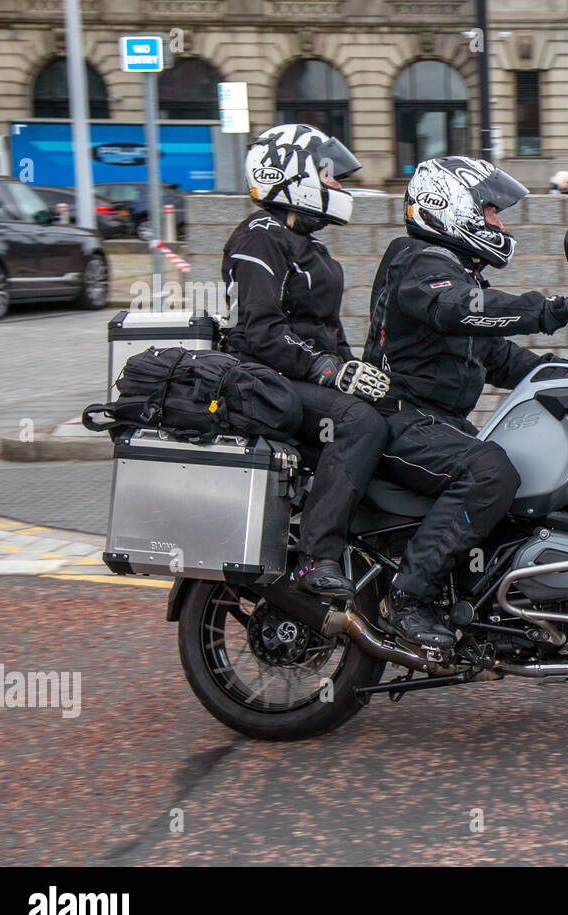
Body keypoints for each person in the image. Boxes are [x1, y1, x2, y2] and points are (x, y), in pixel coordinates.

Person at [365, 156, 568, 652]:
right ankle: (408, 598)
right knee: (491, 472)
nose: (498, 223)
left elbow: (497, 357)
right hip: (399, 417)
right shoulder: (418, 262)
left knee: (519, 469)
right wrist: (557, 310)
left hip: (435, 422)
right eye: (492, 211)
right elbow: (459, 309)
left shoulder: (455, 273)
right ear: (451, 208)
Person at [221, 123, 390, 600]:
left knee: (391, 414)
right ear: (292, 175)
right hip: (264, 381)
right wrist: (329, 370)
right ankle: (317, 556)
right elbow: (262, 332)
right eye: (330, 175)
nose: (338, 185)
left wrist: (355, 369)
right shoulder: (260, 238)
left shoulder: (305, 243)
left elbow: (325, 328)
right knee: (360, 425)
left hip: (295, 376)